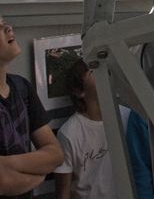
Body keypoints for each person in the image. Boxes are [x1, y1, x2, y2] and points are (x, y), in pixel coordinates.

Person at [0, 16, 63, 198]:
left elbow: (55, 153)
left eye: (4, 23)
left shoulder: (22, 87)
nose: (8, 28)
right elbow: (4, 182)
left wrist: (6, 165)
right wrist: (37, 168)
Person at [54, 60, 116, 199]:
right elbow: (63, 192)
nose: (103, 73)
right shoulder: (69, 133)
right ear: (79, 91)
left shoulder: (126, 117)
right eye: (92, 72)